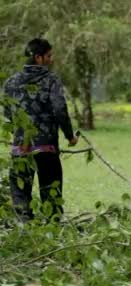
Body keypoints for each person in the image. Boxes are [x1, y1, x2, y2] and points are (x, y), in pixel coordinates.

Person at [3, 38, 78, 221]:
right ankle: (51, 234)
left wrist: (19, 133)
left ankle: (25, 234)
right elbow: (60, 110)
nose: (51, 59)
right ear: (38, 57)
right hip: (46, 149)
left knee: (20, 198)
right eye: (49, 56)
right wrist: (70, 136)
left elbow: (7, 112)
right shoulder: (51, 80)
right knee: (51, 196)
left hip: (21, 149)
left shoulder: (11, 82)